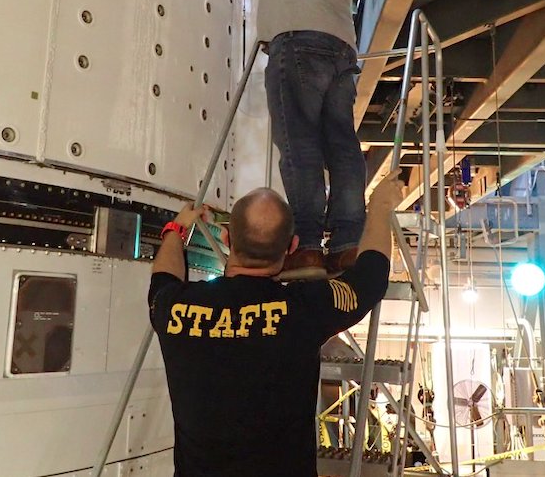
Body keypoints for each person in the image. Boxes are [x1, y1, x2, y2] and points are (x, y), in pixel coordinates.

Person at [147, 172, 403, 477]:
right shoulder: (305, 308)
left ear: (227, 240)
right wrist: (379, 208)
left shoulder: (176, 309)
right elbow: (371, 277)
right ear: (292, 246)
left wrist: (176, 229)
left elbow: (162, 280)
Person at [226, 0, 365, 280]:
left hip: (299, 43)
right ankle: (346, 245)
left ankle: (306, 246)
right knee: (341, 145)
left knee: (299, 143)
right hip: (341, 50)